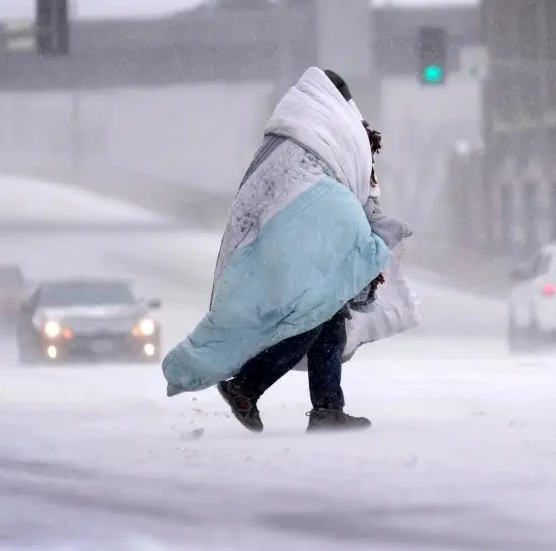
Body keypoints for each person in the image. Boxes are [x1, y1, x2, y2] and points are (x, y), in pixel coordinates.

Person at [162, 67, 416, 433]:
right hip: (302, 234)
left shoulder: (288, 135)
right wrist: (369, 237)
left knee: (327, 315)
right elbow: (355, 186)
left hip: (280, 236)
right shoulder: (337, 130)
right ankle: (247, 385)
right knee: (313, 314)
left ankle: (327, 408)